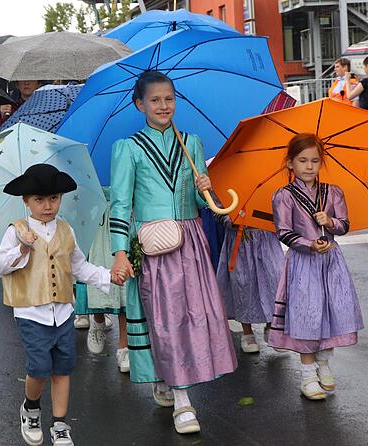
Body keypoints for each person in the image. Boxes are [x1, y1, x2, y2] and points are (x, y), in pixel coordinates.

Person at [109, 71, 237, 435]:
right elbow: (120, 203)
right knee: (163, 317)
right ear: (140, 105)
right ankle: (183, 399)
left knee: (190, 314)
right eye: (155, 100)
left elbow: (202, 202)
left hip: (191, 239)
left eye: (169, 98)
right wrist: (120, 252)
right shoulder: (129, 148)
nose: (163, 106)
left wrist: (205, 188)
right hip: (153, 244)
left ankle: (171, 380)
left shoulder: (191, 143)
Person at [0, 163, 125, 446]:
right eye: (39, 199)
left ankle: (60, 424)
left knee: (62, 369)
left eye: (53, 198)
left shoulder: (66, 230)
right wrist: (22, 248)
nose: (47, 205)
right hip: (31, 312)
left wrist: (108, 276)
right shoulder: (16, 231)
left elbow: (79, 266)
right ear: (26, 201)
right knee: (39, 368)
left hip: (63, 311)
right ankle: (30, 407)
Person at [268, 133, 363, 401]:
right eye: (302, 160)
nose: (309, 166)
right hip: (303, 264)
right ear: (290, 163)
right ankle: (308, 375)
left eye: (315, 161)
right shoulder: (283, 196)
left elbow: (344, 225)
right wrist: (309, 244)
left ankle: (324, 361)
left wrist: (330, 222)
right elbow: (283, 232)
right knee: (306, 317)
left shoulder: (333, 192)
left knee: (329, 313)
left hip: (331, 263)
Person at [73, 192, 129, 373]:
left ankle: (124, 346)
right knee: (95, 267)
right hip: (93, 205)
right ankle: (97, 320)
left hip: (123, 205)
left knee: (125, 281)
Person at [216, 222, 284, 353]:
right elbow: (219, 210)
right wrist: (229, 220)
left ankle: (272, 326)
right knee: (243, 284)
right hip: (239, 238)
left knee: (275, 280)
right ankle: (247, 333)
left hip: (266, 237)